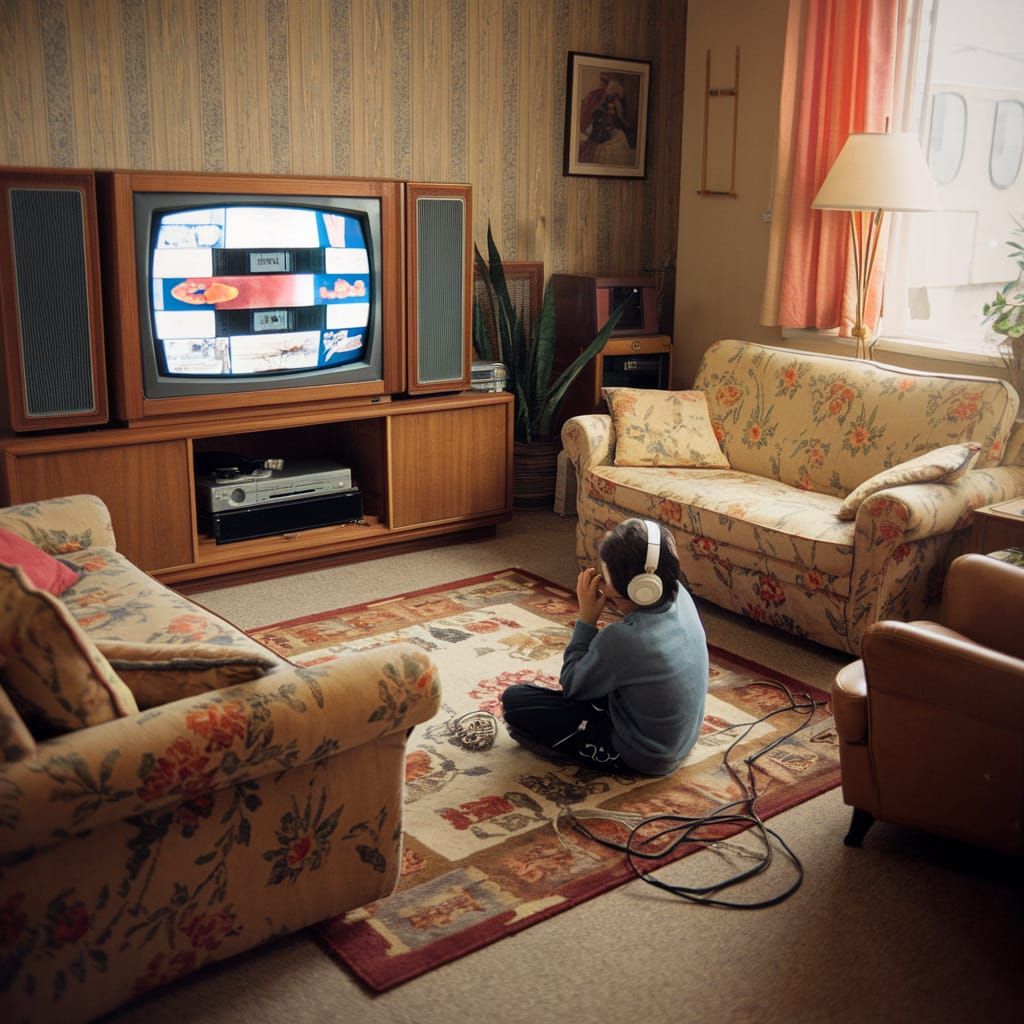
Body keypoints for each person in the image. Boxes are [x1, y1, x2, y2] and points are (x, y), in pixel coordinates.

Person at [501, 518, 709, 775]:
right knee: (606, 680)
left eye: (607, 578)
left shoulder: (623, 639)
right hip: (679, 739)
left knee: (516, 702)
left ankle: (576, 750)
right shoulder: (681, 595)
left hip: (645, 755)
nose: (603, 584)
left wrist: (586, 619)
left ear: (641, 590)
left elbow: (573, 686)